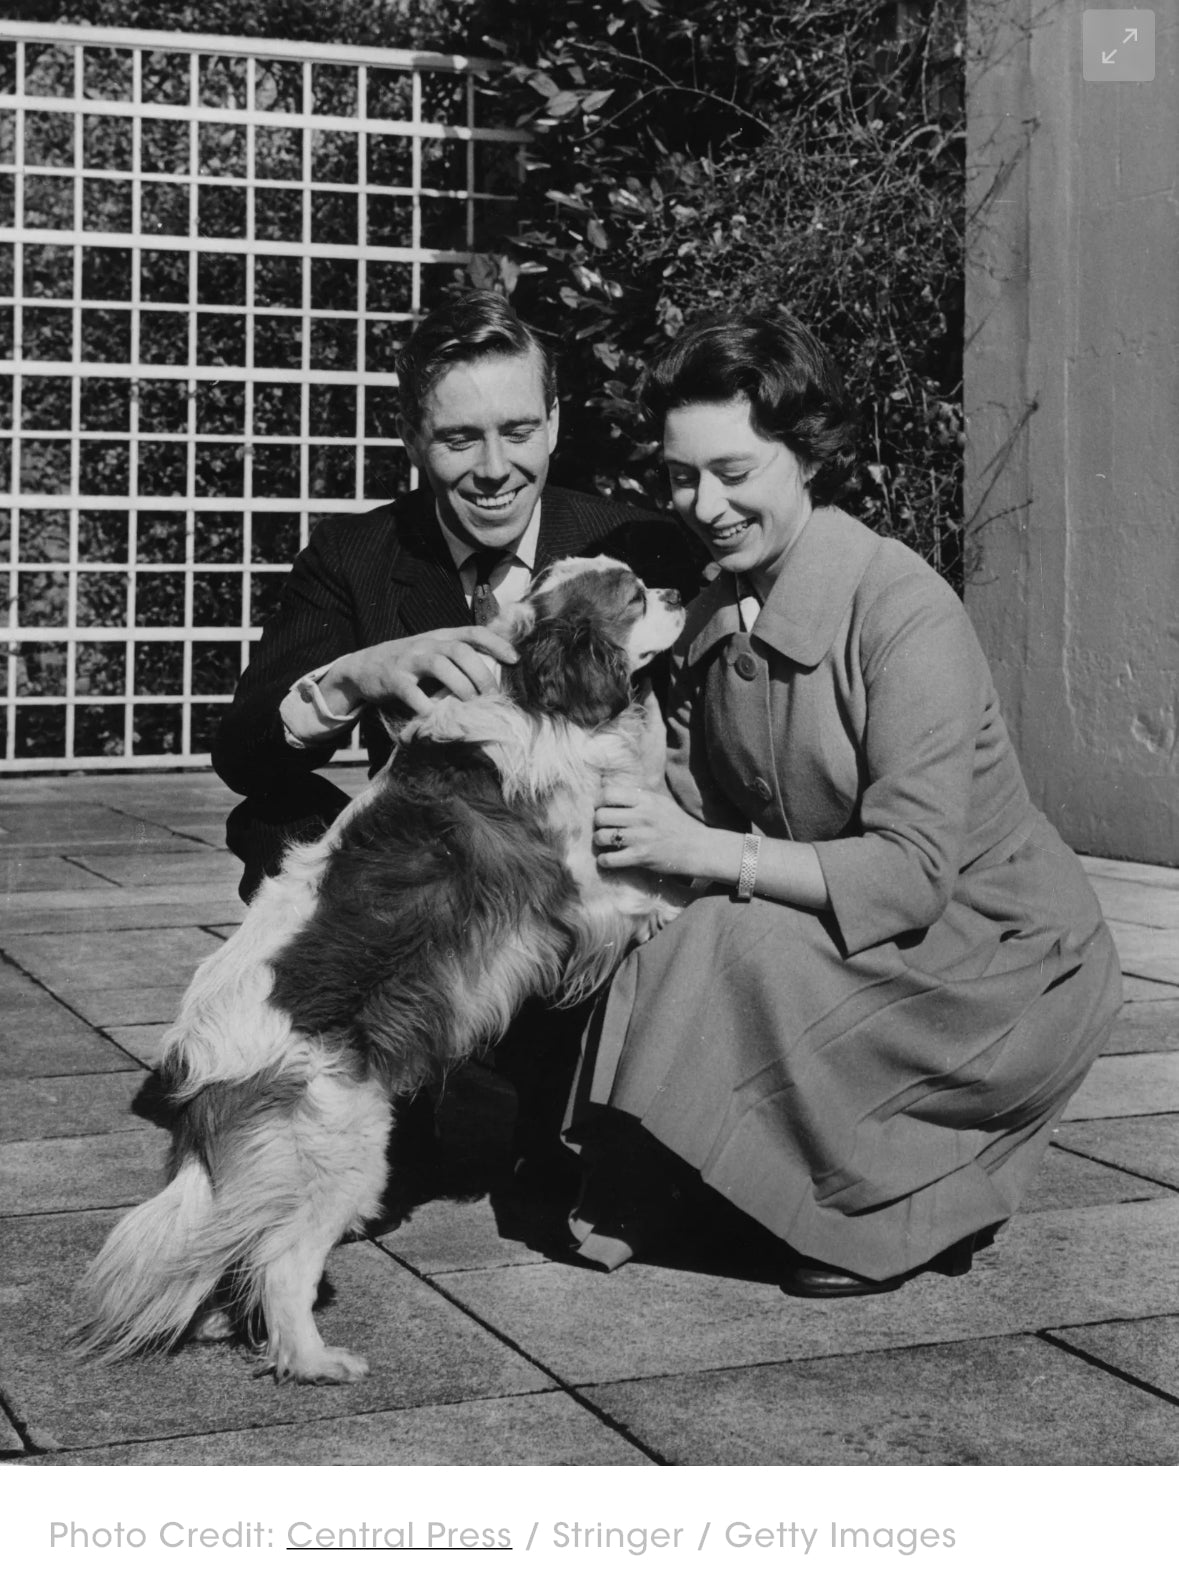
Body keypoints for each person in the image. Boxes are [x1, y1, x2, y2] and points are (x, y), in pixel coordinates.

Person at [567, 309, 1123, 1294]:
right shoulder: (714, 614)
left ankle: (901, 1200)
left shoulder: (904, 609)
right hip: (863, 931)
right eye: (682, 476)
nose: (704, 505)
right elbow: (688, 805)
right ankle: (745, 1170)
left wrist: (708, 854)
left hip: (994, 956)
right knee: (674, 938)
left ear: (808, 454)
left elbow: (910, 874)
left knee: (732, 938)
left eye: (734, 471)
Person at [211, 289, 699, 1183]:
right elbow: (242, 754)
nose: (494, 468)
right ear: (411, 439)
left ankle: (562, 1097)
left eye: (517, 430)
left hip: (572, 887)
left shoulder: (634, 543)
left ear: (554, 423)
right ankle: (350, 1072)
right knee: (276, 818)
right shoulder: (355, 557)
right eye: (458, 438)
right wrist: (355, 674)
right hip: (429, 912)